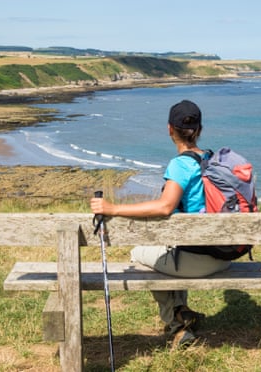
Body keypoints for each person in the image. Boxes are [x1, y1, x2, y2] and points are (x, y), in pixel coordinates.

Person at [90, 99, 231, 347]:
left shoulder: (181, 165)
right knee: (171, 251)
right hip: (223, 255)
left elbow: (165, 206)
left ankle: (177, 325)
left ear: (169, 129)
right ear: (199, 129)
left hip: (198, 260)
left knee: (138, 255)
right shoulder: (212, 159)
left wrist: (113, 208)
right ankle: (182, 310)